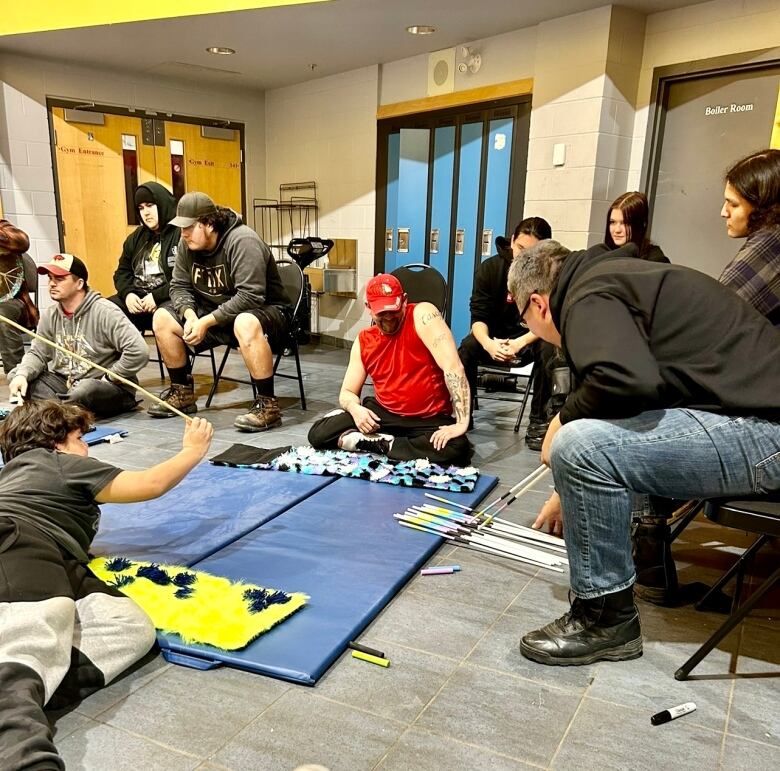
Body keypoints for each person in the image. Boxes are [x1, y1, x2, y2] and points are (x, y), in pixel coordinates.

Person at [506, 239, 780, 666]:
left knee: (579, 444)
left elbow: (624, 383)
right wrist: (568, 489)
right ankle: (634, 573)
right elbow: (631, 394)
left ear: (538, 304)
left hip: (765, 433)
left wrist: (562, 423)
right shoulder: (608, 277)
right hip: (755, 420)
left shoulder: (587, 297)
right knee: (594, 440)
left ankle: (605, 620)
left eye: (523, 318)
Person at [0, 399, 214, 769]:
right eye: (81, 438)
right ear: (58, 441)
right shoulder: (56, 463)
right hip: (17, 545)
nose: (86, 447)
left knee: (127, 626)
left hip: (54, 556)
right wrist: (192, 450)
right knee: (26, 643)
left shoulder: (19, 476)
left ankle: (31, 688)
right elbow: (150, 484)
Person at [148, 192, 292, 432]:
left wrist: (206, 322)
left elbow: (251, 296)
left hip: (267, 312)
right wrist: (190, 315)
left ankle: (268, 406)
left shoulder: (243, 241)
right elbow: (179, 285)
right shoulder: (187, 244)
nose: (183, 234)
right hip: (214, 313)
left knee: (245, 322)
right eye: (181, 228)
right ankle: (182, 393)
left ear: (209, 223)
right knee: (162, 317)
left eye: (189, 227)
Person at [308, 273, 472, 466]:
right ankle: (395, 445)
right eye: (381, 313)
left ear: (404, 301)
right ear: (368, 307)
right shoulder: (364, 341)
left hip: (426, 419)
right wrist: (355, 409)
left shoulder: (423, 315)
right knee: (318, 434)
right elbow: (348, 392)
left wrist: (462, 423)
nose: (388, 318)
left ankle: (383, 444)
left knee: (457, 448)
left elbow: (453, 367)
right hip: (384, 414)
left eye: (393, 310)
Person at [8, 254, 148, 418]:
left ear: (79, 283)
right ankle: (63, 412)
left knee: (85, 390)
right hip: (66, 385)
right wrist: (22, 375)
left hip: (104, 386)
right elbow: (38, 353)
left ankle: (54, 411)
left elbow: (139, 351)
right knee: (17, 374)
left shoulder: (105, 311)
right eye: (50, 278)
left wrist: (110, 377)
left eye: (60, 278)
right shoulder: (51, 315)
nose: (52, 284)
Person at [458, 217, 555, 449]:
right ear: (512, 241)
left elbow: (551, 322)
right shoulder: (490, 269)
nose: (523, 256)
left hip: (529, 337)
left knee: (550, 349)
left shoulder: (550, 275)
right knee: (467, 347)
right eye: (520, 248)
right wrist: (489, 344)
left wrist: (519, 343)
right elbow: (478, 318)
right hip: (494, 338)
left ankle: (538, 423)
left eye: (531, 252)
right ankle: (462, 416)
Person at [719, 148, 780, 327]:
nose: (724, 212)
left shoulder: (772, 241)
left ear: (763, 207)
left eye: (734, 204)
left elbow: (716, 317)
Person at [108, 182, 180, 331]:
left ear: (162, 204)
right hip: (138, 300)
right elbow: (122, 273)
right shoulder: (136, 237)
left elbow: (186, 279)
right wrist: (128, 294)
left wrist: (157, 297)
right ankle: (127, 354)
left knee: (164, 316)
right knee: (102, 310)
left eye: (150, 205)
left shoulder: (181, 234)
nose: (145, 212)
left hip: (169, 299)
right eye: (141, 208)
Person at [0, 219, 39, 376]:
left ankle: (16, 375)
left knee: (2, 315)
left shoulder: (3, 227)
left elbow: (22, 242)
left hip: (13, 300)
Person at [604, 192, 669, 263]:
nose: (617, 230)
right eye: (613, 222)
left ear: (640, 225)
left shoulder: (655, 261)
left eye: (625, 223)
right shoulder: (604, 253)